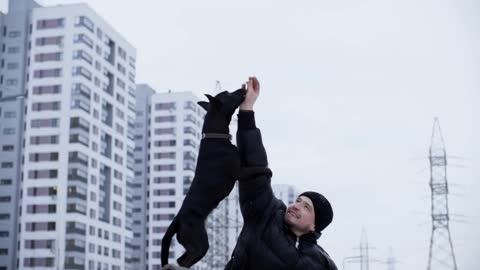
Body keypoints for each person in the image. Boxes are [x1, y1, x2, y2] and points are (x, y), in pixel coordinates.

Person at [225, 77, 337, 270]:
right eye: (298, 201)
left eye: (307, 207)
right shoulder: (266, 215)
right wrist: (246, 111)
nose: (296, 206)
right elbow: (255, 169)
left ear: (314, 226)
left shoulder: (321, 264)